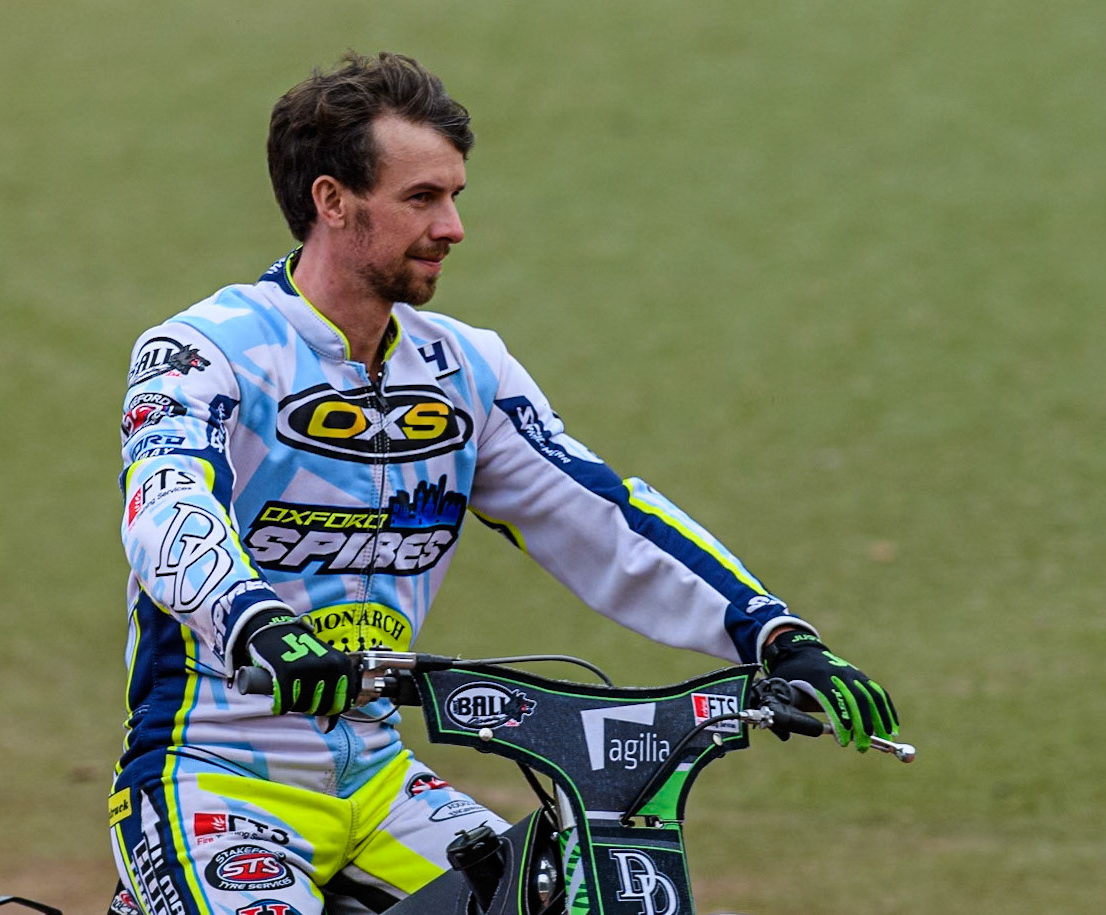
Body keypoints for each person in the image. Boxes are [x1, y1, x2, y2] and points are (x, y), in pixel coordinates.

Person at [109, 51, 897, 915]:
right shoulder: (205, 351)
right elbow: (167, 510)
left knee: (570, 895)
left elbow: (598, 517)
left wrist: (775, 636)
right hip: (212, 777)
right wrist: (258, 624)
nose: (451, 227)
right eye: (421, 199)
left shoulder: (465, 367)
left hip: (375, 779)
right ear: (331, 201)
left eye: (453, 197)